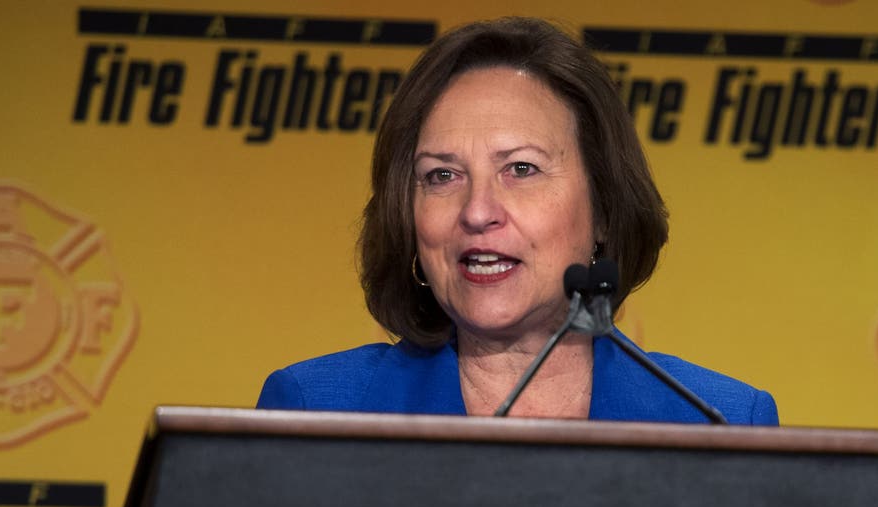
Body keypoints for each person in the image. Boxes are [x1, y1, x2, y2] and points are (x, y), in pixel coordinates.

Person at [257, 17, 777, 425]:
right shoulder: (314, 411)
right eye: (441, 176)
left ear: (602, 209)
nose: (478, 212)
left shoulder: (719, 422)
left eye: (521, 169)